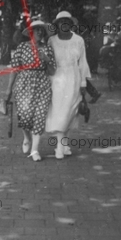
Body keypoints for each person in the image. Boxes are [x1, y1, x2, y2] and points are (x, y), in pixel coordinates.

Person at [4, 20, 56, 162]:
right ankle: (27, 138)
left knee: (39, 116)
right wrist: (8, 89)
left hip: (42, 84)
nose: (39, 32)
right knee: (25, 115)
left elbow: (52, 71)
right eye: (36, 30)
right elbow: (14, 69)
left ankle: (35, 149)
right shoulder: (22, 47)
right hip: (24, 84)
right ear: (31, 33)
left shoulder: (47, 49)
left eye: (41, 30)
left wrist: (46, 60)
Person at [46, 11, 92, 159]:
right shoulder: (51, 41)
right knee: (60, 111)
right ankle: (60, 146)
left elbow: (83, 62)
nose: (64, 24)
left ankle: (64, 144)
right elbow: (48, 62)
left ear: (71, 24)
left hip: (74, 78)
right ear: (57, 25)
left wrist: (84, 82)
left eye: (67, 22)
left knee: (70, 111)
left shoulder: (78, 40)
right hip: (57, 79)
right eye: (61, 22)